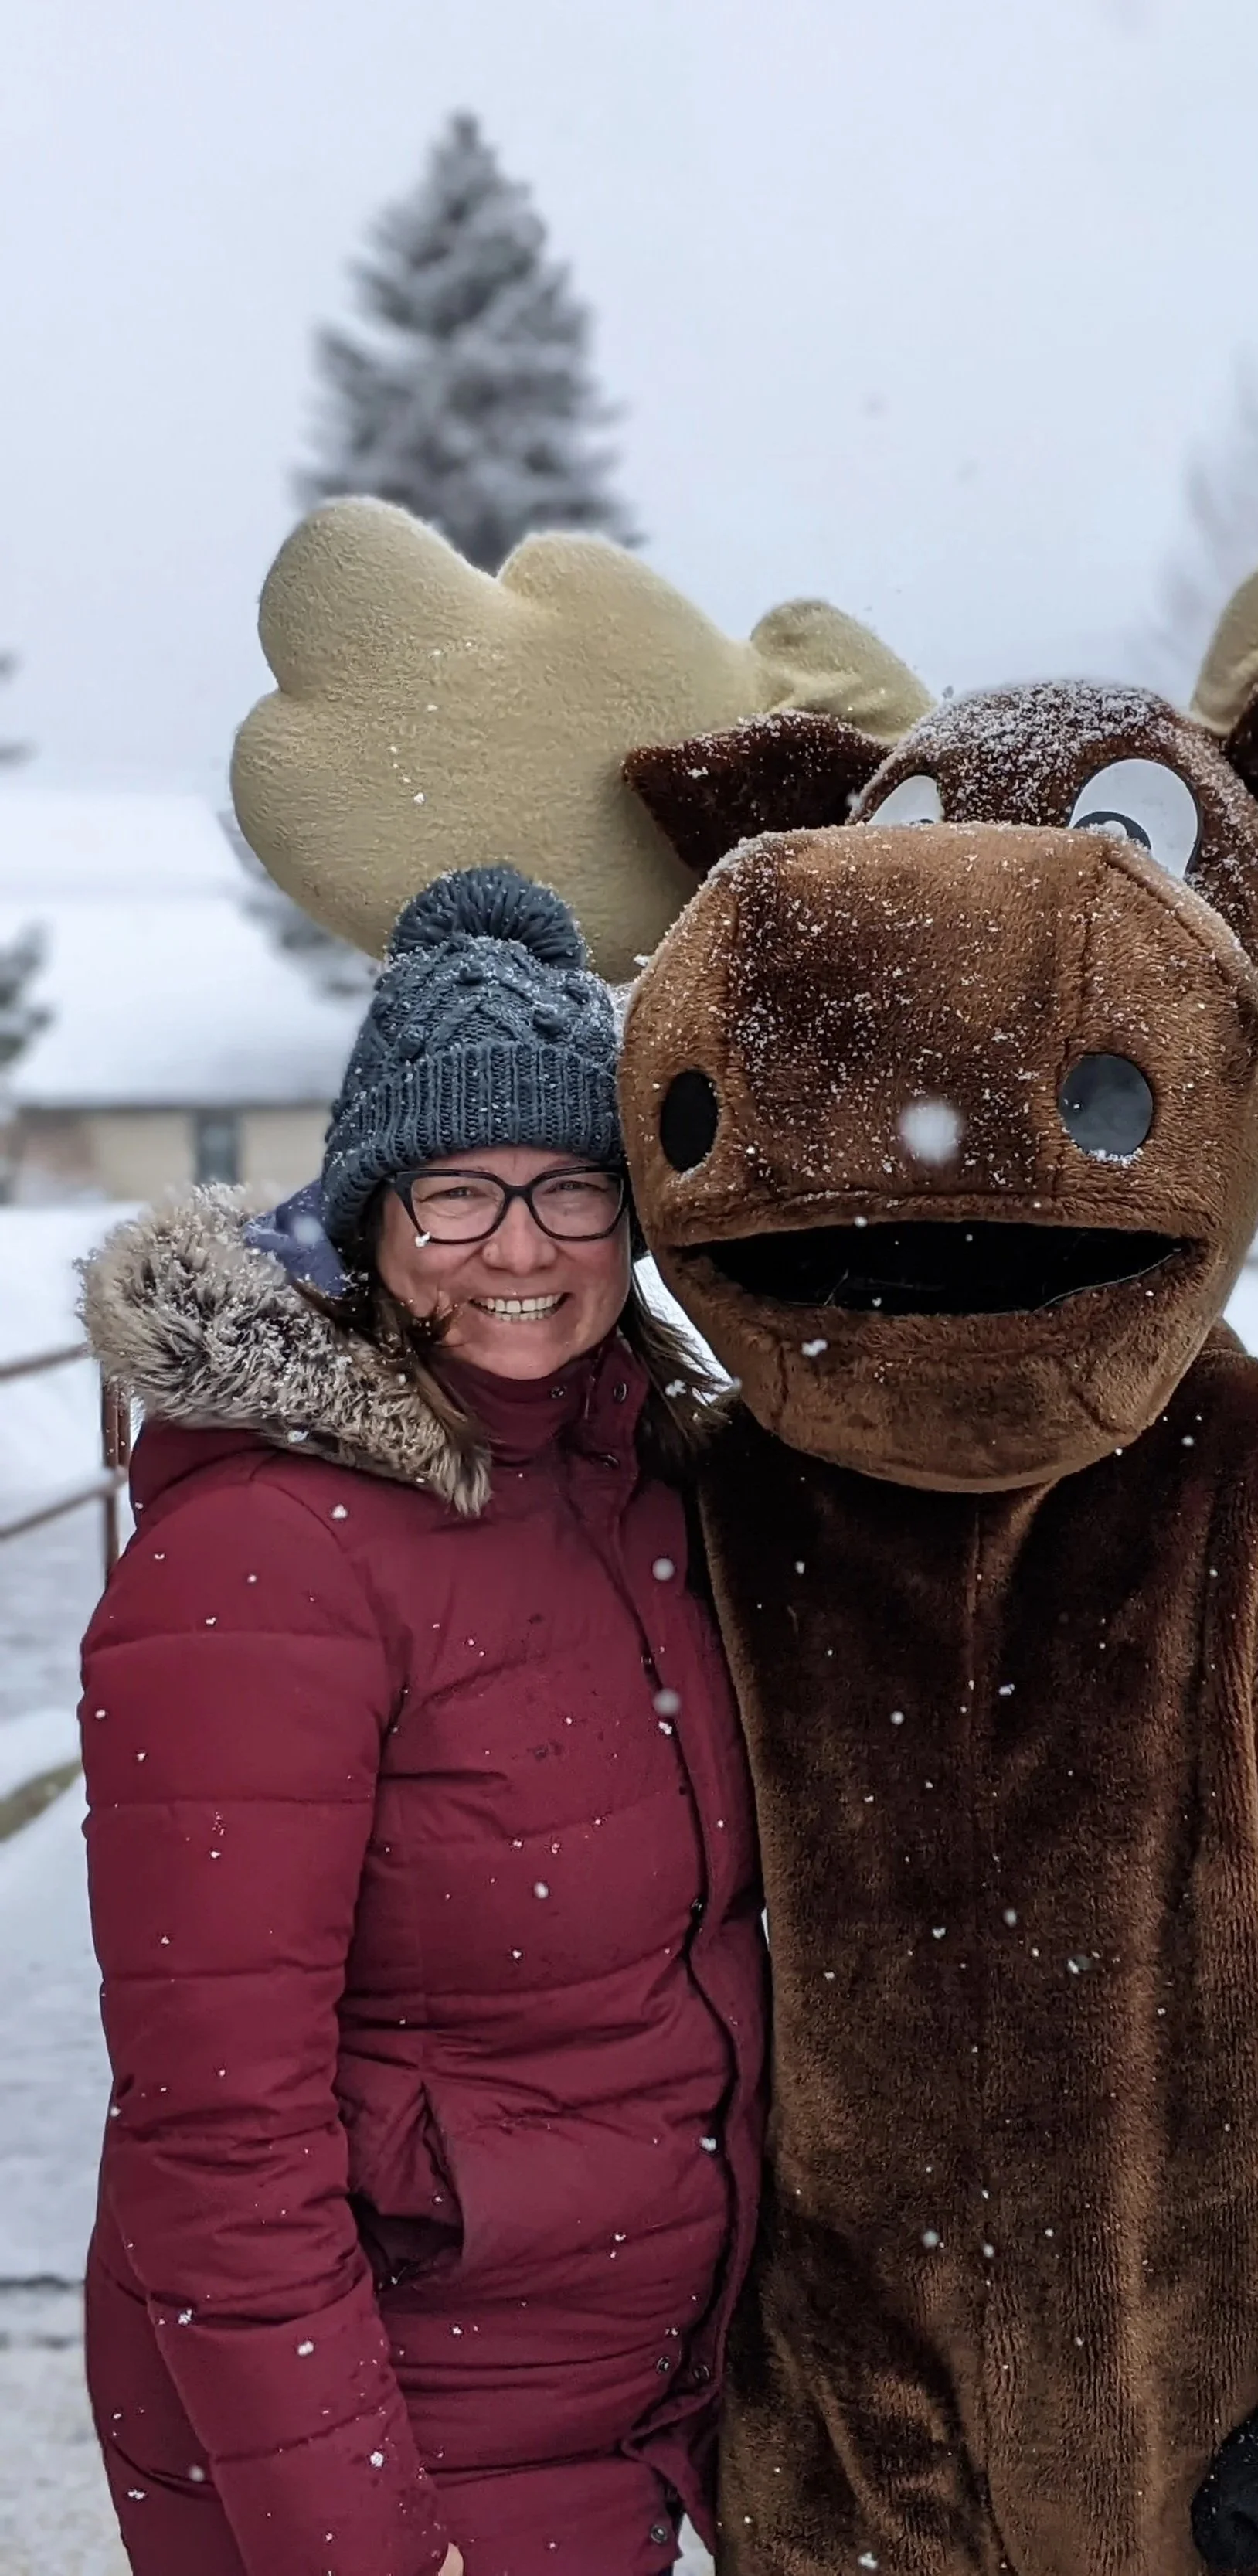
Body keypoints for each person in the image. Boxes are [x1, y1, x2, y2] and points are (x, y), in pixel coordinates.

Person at [76, 867, 764, 2576]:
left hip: (615, 2420)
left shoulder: (640, 1492)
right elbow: (217, 2138)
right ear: (370, 1218)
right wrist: (359, 2543)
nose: (520, 1249)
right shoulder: (261, 1556)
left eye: (572, 1194)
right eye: (456, 1194)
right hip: (415, 2455)